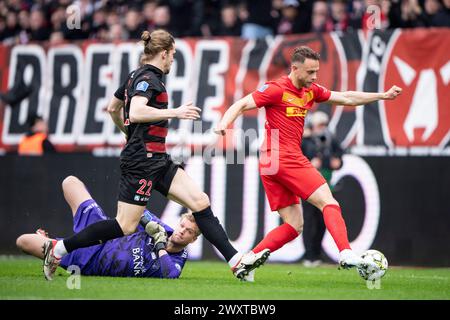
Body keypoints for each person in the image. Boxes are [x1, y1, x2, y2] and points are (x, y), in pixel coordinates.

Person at [43, 29, 267, 281]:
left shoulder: (134, 76)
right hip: (141, 162)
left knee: (200, 202)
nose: (172, 60)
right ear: (163, 53)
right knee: (125, 225)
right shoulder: (149, 78)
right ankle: (58, 248)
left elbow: (113, 108)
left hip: (157, 158)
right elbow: (137, 111)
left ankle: (237, 262)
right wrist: (175, 112)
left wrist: (127, 133)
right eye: (172, 55)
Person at [214, 46, 402, 278]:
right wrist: (225, 123)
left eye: (316, 72)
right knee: (328, 202)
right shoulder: (276, 89)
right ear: (295, 68)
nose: (314, 77)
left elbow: (346, 97)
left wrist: (381, 95)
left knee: (294, 226)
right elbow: (241, 104)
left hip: (270, 162)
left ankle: (247, 261)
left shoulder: (310, 91)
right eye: (310, 72)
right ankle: (345, 252)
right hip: (284, 156)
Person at [17, 175, 199, 279]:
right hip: (100, 229)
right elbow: (140, 212)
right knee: (70, 182)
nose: (182, 231)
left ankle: (51, 244)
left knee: (23, 241)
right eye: (182, 226)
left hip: (89, 260)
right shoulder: (163, 230)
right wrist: (148, 223)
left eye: (188, 231)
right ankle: (51, 243)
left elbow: (171, 275)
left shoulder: (178, 259)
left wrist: (160, 247)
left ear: (193, 239)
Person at [301, 111, 343, 267]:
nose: (322, 128)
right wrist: (309, 163)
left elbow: (339, 156)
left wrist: (337, 161)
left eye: (324, 125)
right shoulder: (305, 141)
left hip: (325, 186)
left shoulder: (330, 139)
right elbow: (297, 159)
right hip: (308, 187)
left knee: (323, 221)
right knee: (309, 220)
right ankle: (309, 255)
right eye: (320, 125)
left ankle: (316, 253)